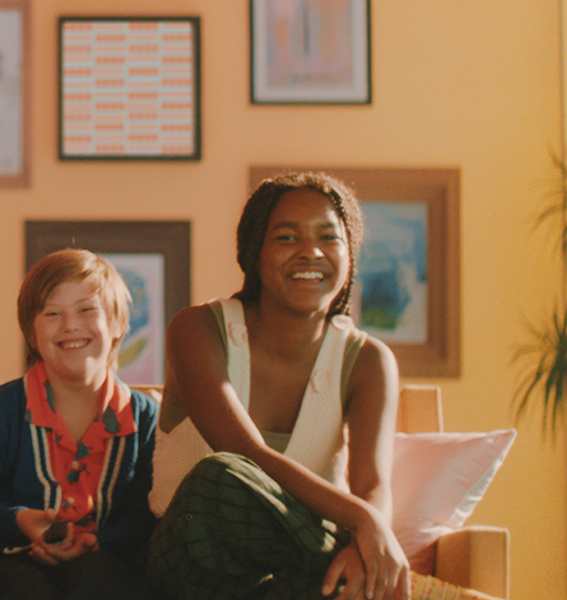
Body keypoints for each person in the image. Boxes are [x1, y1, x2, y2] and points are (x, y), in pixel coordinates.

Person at [143, 173, 499, 600]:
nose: (310, 251)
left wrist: (367, 532)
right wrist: (365, 523)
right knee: (220, 476)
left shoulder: (367, 360)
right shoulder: (198, 330)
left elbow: (372, 485)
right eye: (287, 237)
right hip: (187, 561)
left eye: (329, 238)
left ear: (349, 256)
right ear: (254, 252)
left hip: (285, 582)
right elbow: (242, 450)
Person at [0, 249, 158, 600]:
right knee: (23, 589)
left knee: (99, 578)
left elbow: (146, 516)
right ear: (31, 333)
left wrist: (100, 542)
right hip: (5, 566)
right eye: (52, 314)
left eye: (87, 310)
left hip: (101, 563)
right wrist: (19, 521)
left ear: (119, 323)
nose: (70, 325)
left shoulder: (145, 416)